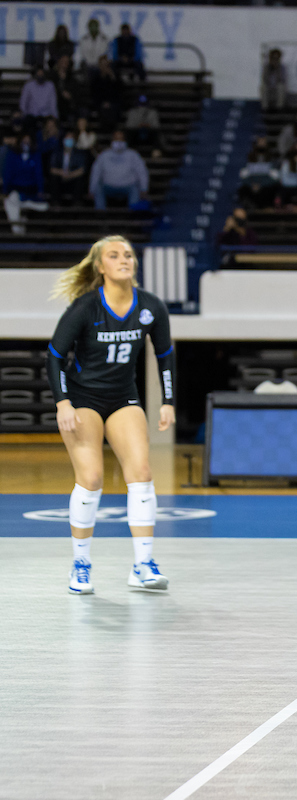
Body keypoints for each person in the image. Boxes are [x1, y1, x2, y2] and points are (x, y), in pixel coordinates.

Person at [46, 235, 176, 595]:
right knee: (91, 477)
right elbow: (55, 355)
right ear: (100, 266)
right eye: (115, 256)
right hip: (83, 398)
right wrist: (62, 403)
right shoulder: (86, 307)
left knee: (143, 472)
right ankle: (81, 564)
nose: (124, 260)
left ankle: (143, 565)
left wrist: (168, 401)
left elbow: (164, 355)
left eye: (129, 255)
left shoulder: (151, 307)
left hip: (123, 398)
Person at [89, 131, 149, 209]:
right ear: (112, 141)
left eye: (121, 139)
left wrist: (144, 188)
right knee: (98, 187)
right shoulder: (104, 155)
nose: (119, 142)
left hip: (128, 187)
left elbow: (142, 172)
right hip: (108, 187)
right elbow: (96, 172)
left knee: (135, 188)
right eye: (116, 139)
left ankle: (134, 212)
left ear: (125, 141)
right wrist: (91, 190)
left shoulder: (133, 155)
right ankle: (100, 213)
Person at [2, 134, 48, 234]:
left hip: (30, 191)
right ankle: (17, 230)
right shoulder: (13, 156)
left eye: (28, 141)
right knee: (10, 202)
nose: (26, 143)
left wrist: (40, 190)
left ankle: (26, 206)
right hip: (16, 190)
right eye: (24, 141)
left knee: (44, 206)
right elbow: (8, 174)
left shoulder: (35, 156)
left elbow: (38, 174)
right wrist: (5, 190)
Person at [238, 138, 280, 210]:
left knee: (274, 189)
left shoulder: (272, 159)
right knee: (242, 190)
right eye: (259, 143)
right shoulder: (250, 158)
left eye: (263, 143)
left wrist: (261, 184)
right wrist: (252, 184)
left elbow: (276, 177)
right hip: (252, 186)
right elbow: (243, 175)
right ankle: (249, 208)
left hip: (266, 186)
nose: (261, 145)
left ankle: (267, 208)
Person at [48, 130, 88, 206]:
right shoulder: (57, 153)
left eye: (71, 139)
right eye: (67, 139)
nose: (69, 141)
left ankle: (77, 204)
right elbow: (51, 169)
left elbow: (82, 170)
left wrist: (70, 175)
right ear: (63, 140)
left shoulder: (79, 154)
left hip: (73, 179)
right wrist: (62, 173)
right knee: (53, 178)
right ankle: (56, 204)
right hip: (60, 179)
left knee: (80, 180)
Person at [90, 56, 125, 132]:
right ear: (99, 66)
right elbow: (95, 94)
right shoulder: (96, 79)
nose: (104, 67)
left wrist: (113, 77)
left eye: (106, 65)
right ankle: (105, 131)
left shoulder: (115, 77)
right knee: (104, 110)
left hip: (113, 103)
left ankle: (112, 131)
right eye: (102, 65)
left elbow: (119, 91)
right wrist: (103, 102)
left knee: (113, 109)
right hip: (100, 103)